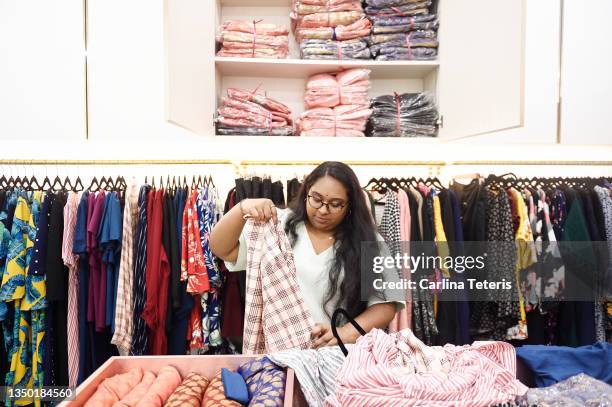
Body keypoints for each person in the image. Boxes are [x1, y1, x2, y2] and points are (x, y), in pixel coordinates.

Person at [210, 161, 403, 348]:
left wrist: (345, 332)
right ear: (306, 191)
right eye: (316, 199)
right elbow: (222, 249)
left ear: (350, 205)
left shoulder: (369, 241)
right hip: (280, 354)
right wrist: (241, 208)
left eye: (335, 204)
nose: (323, 210)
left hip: (336, 356)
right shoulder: (277, 225)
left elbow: (386, 304)